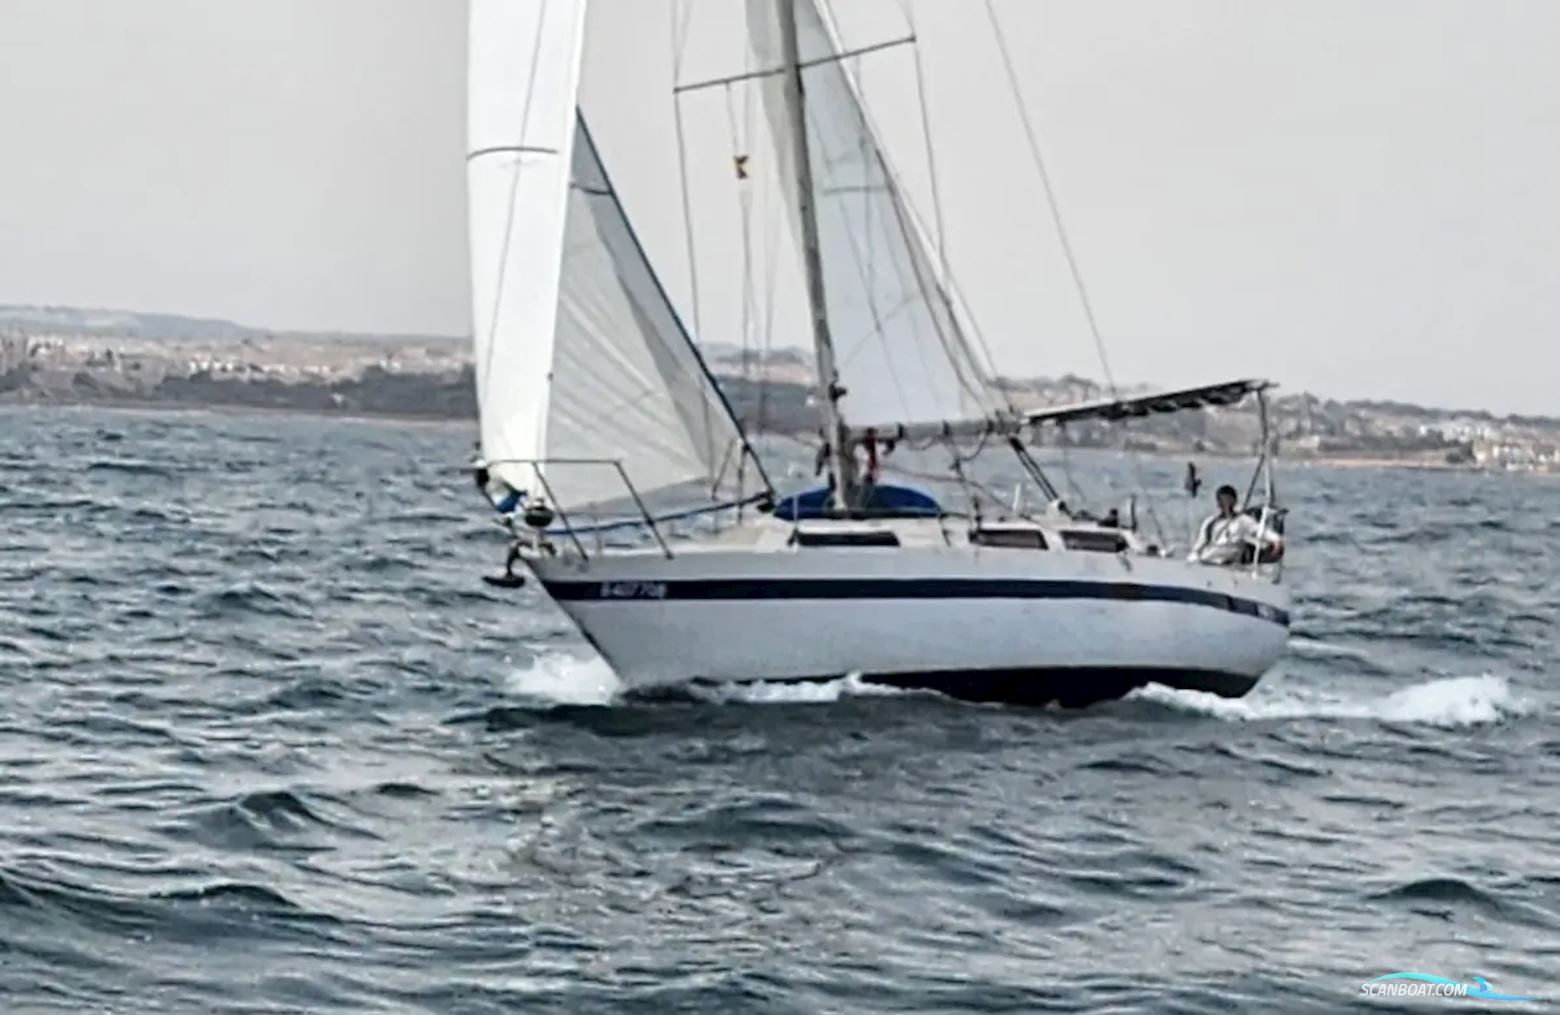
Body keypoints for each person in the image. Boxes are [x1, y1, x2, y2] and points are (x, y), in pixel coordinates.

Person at [1189, 484, 1282, 566]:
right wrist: (1193, 558)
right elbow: (1199, 545)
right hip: (1207, 561)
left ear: (1234, 501)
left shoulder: (1242, 521)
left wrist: (1276, 541)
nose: (1225, 504)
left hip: (1228, 565)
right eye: (1221, 500)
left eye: (1228, 500)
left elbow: (1261, 531)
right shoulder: (1209, 522)